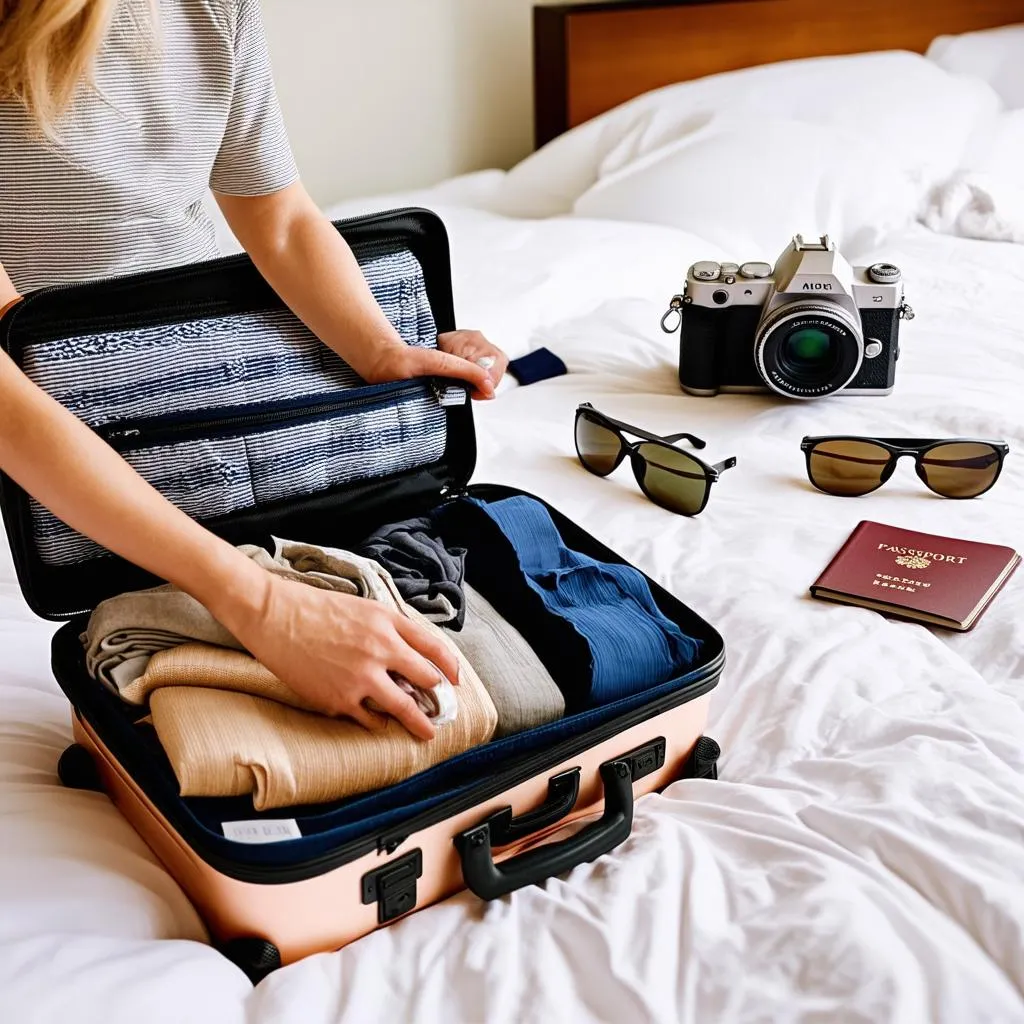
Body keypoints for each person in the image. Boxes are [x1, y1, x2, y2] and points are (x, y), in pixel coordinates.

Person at [0, 0, 508, 740]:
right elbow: (10, 384)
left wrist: (380, 350)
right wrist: (261, 605)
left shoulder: (214, 7)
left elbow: (279, 217)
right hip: (56, 418)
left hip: (208, 365)